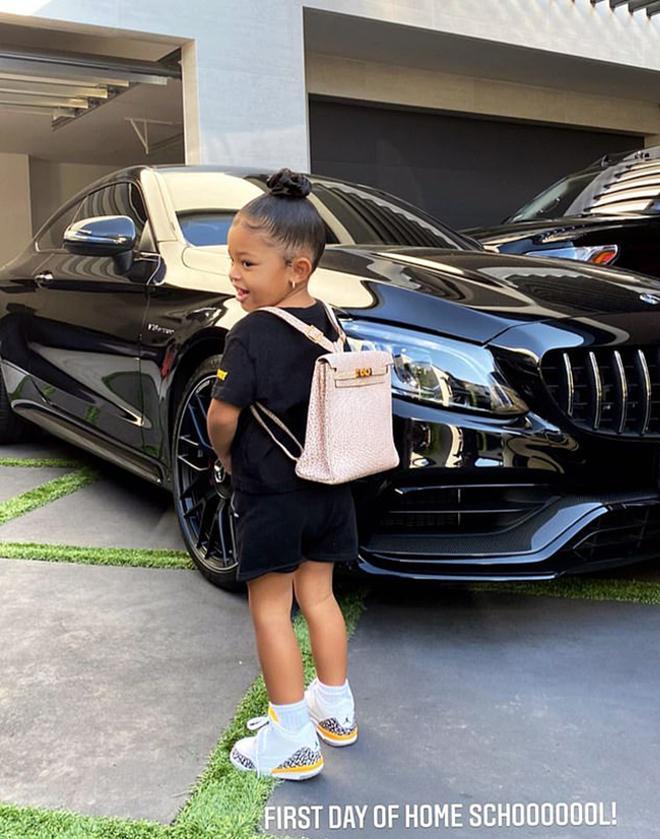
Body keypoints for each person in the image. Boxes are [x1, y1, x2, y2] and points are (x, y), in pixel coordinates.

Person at [206, 167, 359, 781]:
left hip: (271, 493)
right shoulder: (330, 320)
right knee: (318, 596)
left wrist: (224, 454)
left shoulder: (249, 335)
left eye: (247, 264)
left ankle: (291, 736)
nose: (234, 276)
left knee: (271, 611)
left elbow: (222, 415)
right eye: (233, 262)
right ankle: (336, 709)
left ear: (295, 268)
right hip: (330, 484)